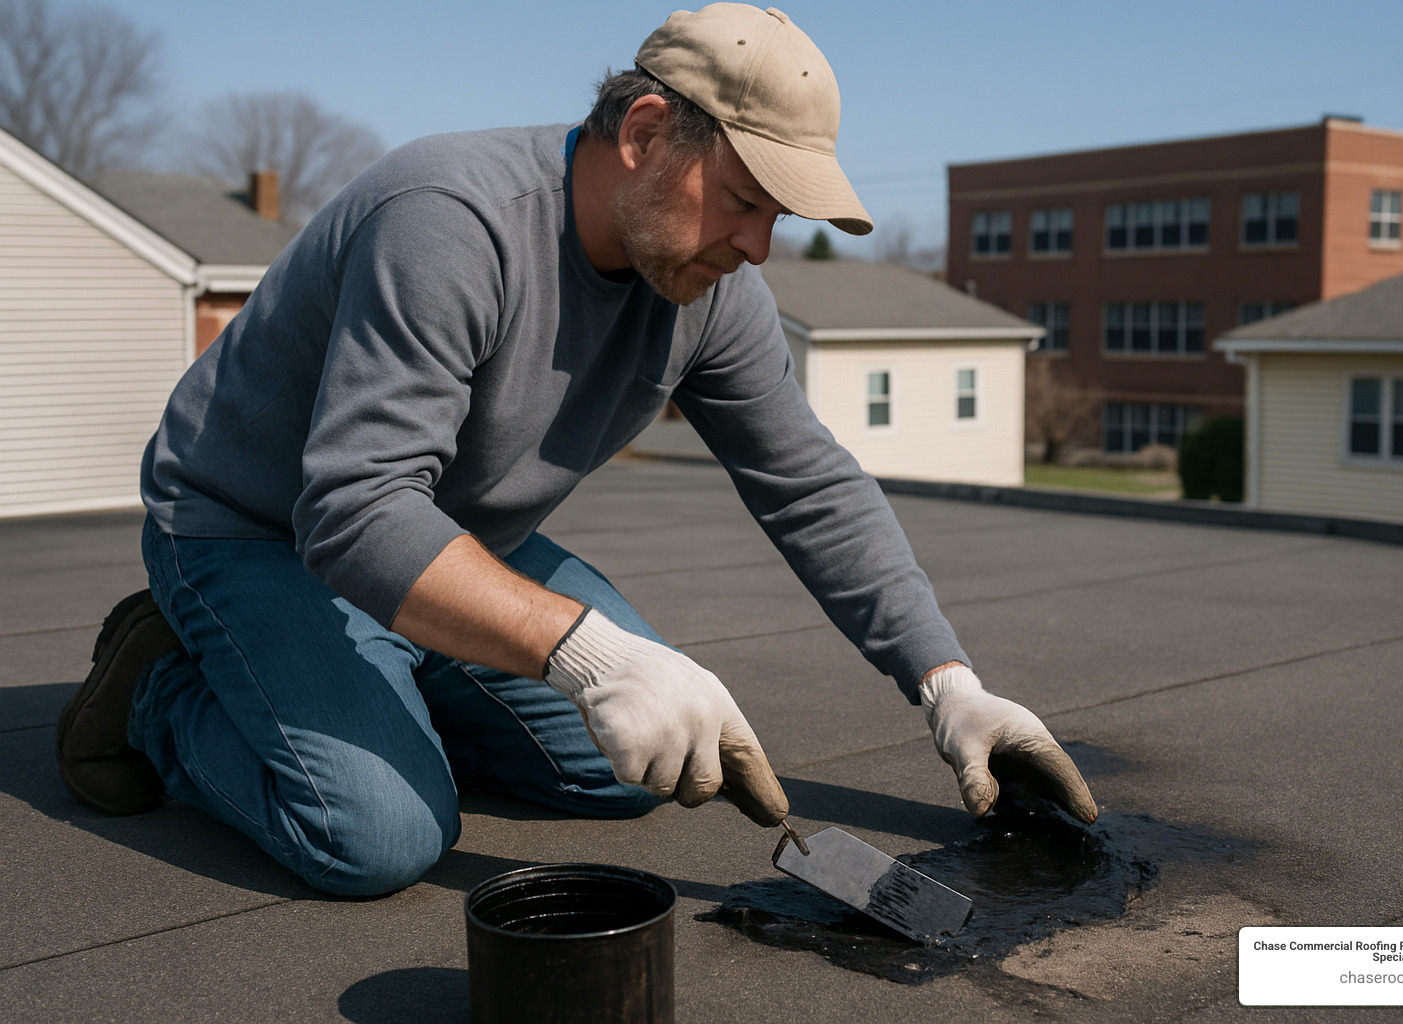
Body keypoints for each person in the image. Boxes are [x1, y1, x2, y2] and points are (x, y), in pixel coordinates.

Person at [55, 3, 1096, 897]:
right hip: (258, 530)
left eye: (776, 217)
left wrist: (947, 683)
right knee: (379, 835)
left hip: (449, 540)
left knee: (631, 769)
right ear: (645, 132)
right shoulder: (450, 221)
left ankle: (372, 683)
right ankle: (160, 691)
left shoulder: (711, 290)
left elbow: (809, 483)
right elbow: (356, 512)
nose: (757, 246)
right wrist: (589, 656)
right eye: (744, 201)